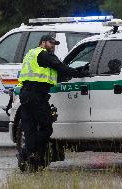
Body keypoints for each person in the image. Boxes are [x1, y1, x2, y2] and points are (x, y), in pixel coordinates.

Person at [17, 35, 89, 172]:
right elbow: (60, 67)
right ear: (43, 43)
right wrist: (80, 73)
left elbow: (54, 72)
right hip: (37, 96)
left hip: (26, 95)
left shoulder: (31, 54)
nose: (53, 46)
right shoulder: (44, 55)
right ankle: (26, 153)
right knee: (46, 128)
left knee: (30, 129)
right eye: (51, 43)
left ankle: (29, 156)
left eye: (55, 44)